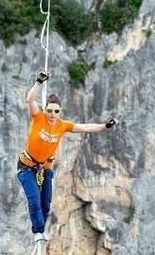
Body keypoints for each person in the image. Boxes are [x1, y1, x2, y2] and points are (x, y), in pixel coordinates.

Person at [18, 70, 119, 243]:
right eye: (49, 110)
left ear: (59, 112)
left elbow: (85, 128)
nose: (52, 114)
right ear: (46, 109)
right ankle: (38, 230)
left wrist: (105, 126)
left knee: (46, 203)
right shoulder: (38, 117)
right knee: (34, 200)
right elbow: (30, 100)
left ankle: (41, 229)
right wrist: (39, 82)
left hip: (45, 169)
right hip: (26, 168)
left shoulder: (62, 125)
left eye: (56, 111)